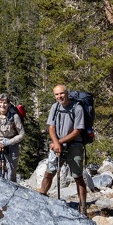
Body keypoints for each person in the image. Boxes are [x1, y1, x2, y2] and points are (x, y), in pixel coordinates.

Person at [39, 84, 88, 214]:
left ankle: (83, 207)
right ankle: (41, 198)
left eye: (61, 93)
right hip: (57, 145)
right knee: (49, 172)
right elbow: (51, 127)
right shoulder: (55, 107)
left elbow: (77, 131)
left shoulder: (77, 108)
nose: (59, 96)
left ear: (67, 93)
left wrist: (59, 142)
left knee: (78, 176)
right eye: (56, 94)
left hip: (74, 145)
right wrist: (56, 143)